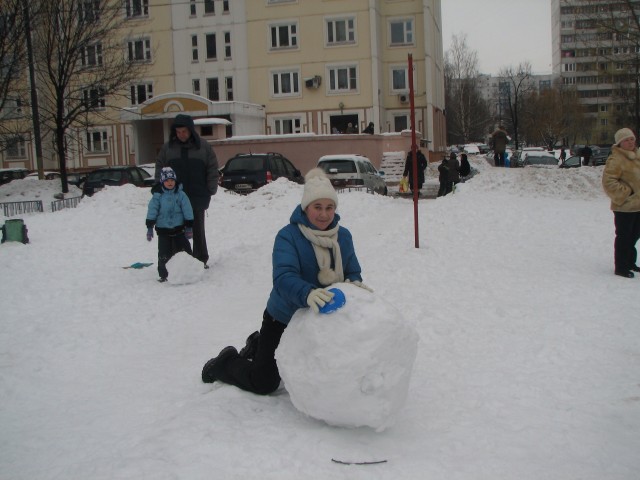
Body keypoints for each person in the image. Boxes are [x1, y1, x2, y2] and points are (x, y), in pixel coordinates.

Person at [201, 168, 369, 395]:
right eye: (317, 207)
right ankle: (225, 362)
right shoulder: (288, 236)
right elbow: (283, 277)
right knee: (264, 382)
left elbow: (352, 271)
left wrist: (355, 284)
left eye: (329, 207)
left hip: (321, 319)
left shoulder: (343, 236)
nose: (324, 214)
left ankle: (258, 344)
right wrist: (308, 293)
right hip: (283, 317)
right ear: (305, 207)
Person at [155, 114, 219, 269]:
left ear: (190, 130)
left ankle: (200, 259)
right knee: (175, 230)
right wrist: (159, 188)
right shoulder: (168, 148)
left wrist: (211, 188)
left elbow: (212, 168)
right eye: (178, 132)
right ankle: (177, 261)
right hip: (174, 198)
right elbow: (160, 168)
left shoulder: (203, 147)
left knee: (197, 229)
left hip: (197, 195)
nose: (181, 135)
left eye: (184, 131)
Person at [601, 128, 640, 279]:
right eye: (626, 140)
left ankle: (630, 262)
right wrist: (626, 193)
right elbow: (608, 182)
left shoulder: (637, 156)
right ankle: (621, 267)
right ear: (620, 143)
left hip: (638, 205)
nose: (630, 142)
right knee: (624, 236)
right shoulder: (616, 159)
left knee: (634, 236)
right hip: (624, 206)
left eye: (632, 139)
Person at [146, 167, 194, 282]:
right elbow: (152, 211)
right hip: (163, 230)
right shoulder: (157, 196)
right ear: (162, 182)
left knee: (184, 250)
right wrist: (149, 227)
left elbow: (187, 210)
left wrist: (189, 226)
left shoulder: (181, 194)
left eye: (172, 180)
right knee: (164, 253)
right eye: (167, 181)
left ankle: (189, 270)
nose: (170, 183)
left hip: (179, 229)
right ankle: (164, 275)